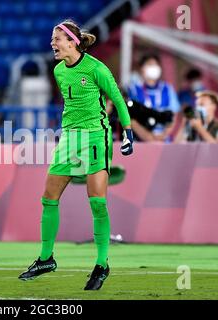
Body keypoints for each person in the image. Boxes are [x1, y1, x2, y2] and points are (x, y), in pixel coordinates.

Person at [18, 19, 133, 291]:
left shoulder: (95, 68)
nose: (52, 44)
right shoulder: (58, 71)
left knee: (96, 202)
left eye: (56, 39)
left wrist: (127, 131)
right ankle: (46, 259)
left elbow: (116, 98)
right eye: (52, 39)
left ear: (72, 42)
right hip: (70, 137)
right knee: (49, 198)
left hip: (95, 135)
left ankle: (102, 263)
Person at [127, 53, 180, 142]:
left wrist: (163, 136)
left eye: (156, 65)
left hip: (164, 142)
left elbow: (174, 116)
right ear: (142, 69)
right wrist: (149, 138)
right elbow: (130, 118)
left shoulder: (167, 89)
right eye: (150, 65)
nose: (154, 67)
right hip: (140, 142)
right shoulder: (133, 90)